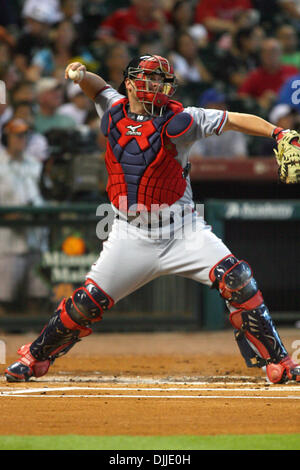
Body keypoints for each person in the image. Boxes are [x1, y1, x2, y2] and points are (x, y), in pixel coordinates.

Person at [5, 54, 300, 384]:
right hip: (129, 234)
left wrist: (278, 132)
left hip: (182, 229)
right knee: (87, 303)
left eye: (162, 79)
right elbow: (98, 88)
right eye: (151, 78)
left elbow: (233, 120)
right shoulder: (114, 108)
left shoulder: (183, 119)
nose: (158, 85)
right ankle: (34, 357)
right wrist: (81, 74)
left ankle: (278, 361)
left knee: (237, 279)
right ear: (130, 83)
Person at [0, 118, 48, 315]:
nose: (21, 139)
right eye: (17, 134)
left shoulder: (35, 166)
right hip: (7, 240)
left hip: (36, 238)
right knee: (4, 296)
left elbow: (46, 195)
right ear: (6, 137)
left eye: (24, 135)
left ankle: (32, 337)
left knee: (37, 293)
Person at [238, 37, 299, 109]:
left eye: (273, 51)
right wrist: (258, 101)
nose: (269, 55)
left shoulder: (292, 71)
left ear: (281, 53)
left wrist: (279, 98)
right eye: (265, 52)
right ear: (261, 55)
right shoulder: (255, 75)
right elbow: (241, 96)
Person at [191, 88, 248, 158]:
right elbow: (196, 160)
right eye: (216, 105)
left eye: (222, 105)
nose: (221, 109)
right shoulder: (195, 129)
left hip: (230, 168)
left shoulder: (234, 128)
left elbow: (241, 157)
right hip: (204, 168)